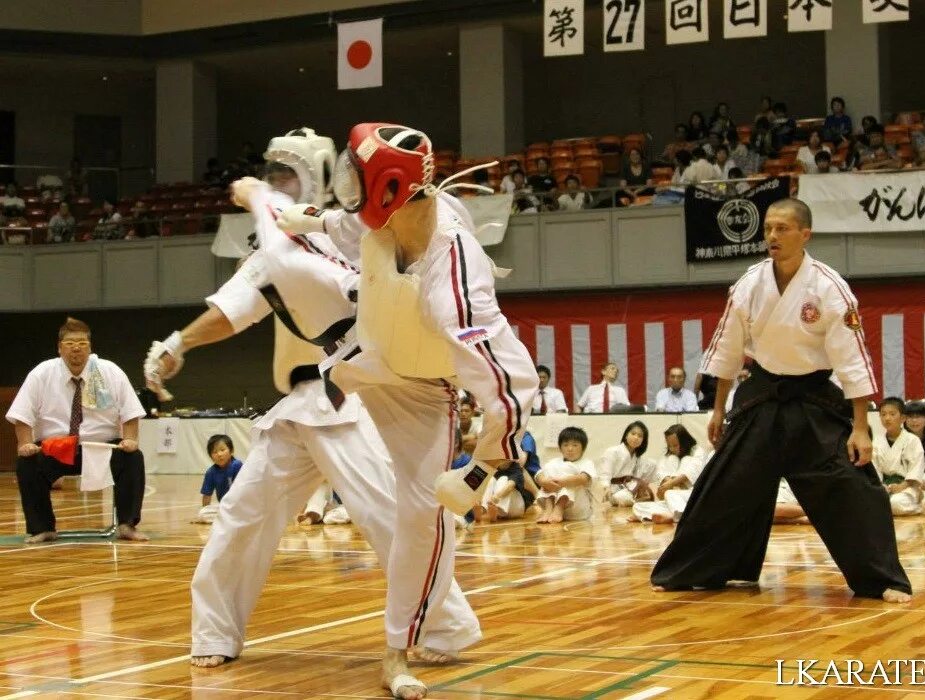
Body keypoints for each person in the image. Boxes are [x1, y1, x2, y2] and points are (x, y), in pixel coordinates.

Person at [145, 128, 483, 699]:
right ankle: (217, 630)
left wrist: (258, 196)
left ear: (321, 178)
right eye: (272, 174)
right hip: (300, 402)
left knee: (392, 516)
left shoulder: (349, 231)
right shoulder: (281, 240)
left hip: (358, 393)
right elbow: (235, 307)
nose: (279, 184)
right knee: (242, 513)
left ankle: (445, 628)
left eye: (289, 175)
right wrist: (177, 343)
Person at [277, 122, 537, 699]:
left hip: (425, 389)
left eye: (357, 176)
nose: (349, 186)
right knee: (294, 266)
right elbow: (344, 224)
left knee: (423, 515)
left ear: (389, 187)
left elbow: (510, 385)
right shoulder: (388, 215)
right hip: (369, 356)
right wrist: (299, 221)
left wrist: (483, 465)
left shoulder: (456, 274)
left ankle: (397, 648)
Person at [649, 198, 912, 603]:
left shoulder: (829, 287)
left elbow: (853, 360)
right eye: (768, 228)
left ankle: (881, 579)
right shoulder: (750, 284)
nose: (772, 236)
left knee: (851, 484)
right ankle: (702, 568)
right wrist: (719, 408)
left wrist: (860, 427)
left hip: (814, 398)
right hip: (761, 393)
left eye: (782, 228)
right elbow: (727, 350)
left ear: (805, 234)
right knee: (726, 483)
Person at [7, 317, 148, 543]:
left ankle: (126, 524)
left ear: (90, 347)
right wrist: (25, 443)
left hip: (102, 446)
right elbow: (22, 415)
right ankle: (42, 528)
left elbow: (131, 412)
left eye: (82, 343)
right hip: (55, 447)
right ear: (60, 347)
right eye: (70, 343)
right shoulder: (42, 373)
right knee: (28, 464)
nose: (76, 349)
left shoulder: (110, 371)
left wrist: (130, 439)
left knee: (133, 458)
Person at [631, 425, 705, 523]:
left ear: (685, 442)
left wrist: (671, 484)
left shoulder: (697, 451)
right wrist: (667, 485)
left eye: (675, 445)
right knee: (638, 507)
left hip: (693, 495)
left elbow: (692, 471)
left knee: (671, 494)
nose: (672, 449)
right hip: (676, 499)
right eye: (669, 446)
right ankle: (674, 514)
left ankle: (680, 516)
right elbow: (661, 473)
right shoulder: (669, 457)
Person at [871, 398, 924, 516]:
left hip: (907, 487)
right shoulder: (877, 441)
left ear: (903, 418)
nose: (887, 418)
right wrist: (880, 486)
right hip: (884, 487)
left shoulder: (912, 440)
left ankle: (918, 505)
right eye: (883, 414)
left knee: (896, 504)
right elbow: (874, 468)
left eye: (892, 414)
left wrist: (902, 486)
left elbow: (916, 469)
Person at [534, 426, 595, 523]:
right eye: (566, 445)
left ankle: (559, 507)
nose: (570, 449)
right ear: (560, 448)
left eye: (575, 445)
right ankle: (549, 508)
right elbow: (538, 475)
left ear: (583, 448)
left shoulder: (587, 463)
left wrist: (559, 482)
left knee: (568, 471)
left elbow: (583, 478)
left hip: (578, 510)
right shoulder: (554, 462)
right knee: (550, 467)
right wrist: (545, 481)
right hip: (552, 510)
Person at [598, 421, 657, 507]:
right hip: (614, 488)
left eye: (640, 436)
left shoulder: (636, 456)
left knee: (652, 464)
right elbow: (605, 473)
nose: (636, 437)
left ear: (643, 441)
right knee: (623, 497)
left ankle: (640, 494)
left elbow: (638, 475)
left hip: (630, 485)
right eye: (633, 434)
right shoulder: (613, 451)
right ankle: (634, 500)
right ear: (626, 435)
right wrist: (606, 488)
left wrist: (640, 486)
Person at [200, 434, 242, 507]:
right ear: (211, 457)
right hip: (224, 507)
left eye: (222, 450)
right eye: (214, 452)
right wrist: (205, 511)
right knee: (203, 513)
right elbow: (207, 495)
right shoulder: (211, 472)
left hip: (241, 505)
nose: (219, 454)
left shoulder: (237, 465)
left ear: (231, 451)